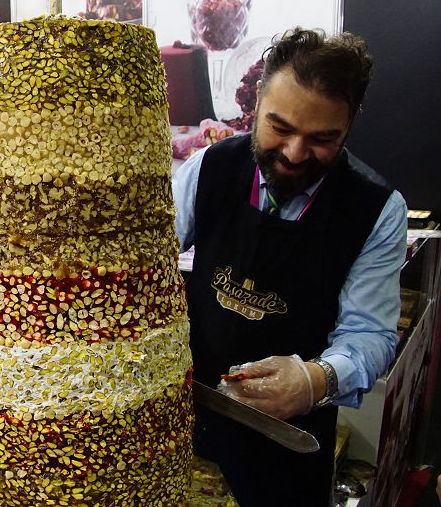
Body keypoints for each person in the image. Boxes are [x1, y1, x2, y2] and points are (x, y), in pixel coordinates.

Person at [172, 27, 408, 506]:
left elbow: (371, 333)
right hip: (188, 415)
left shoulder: (376, 209)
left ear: (350, 123)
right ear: (258, 99)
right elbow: (149, 260)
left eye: (322, 138)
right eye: (279, 128)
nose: (295, 154)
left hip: (287, 442)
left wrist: (315, 381)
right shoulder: (208, 168)